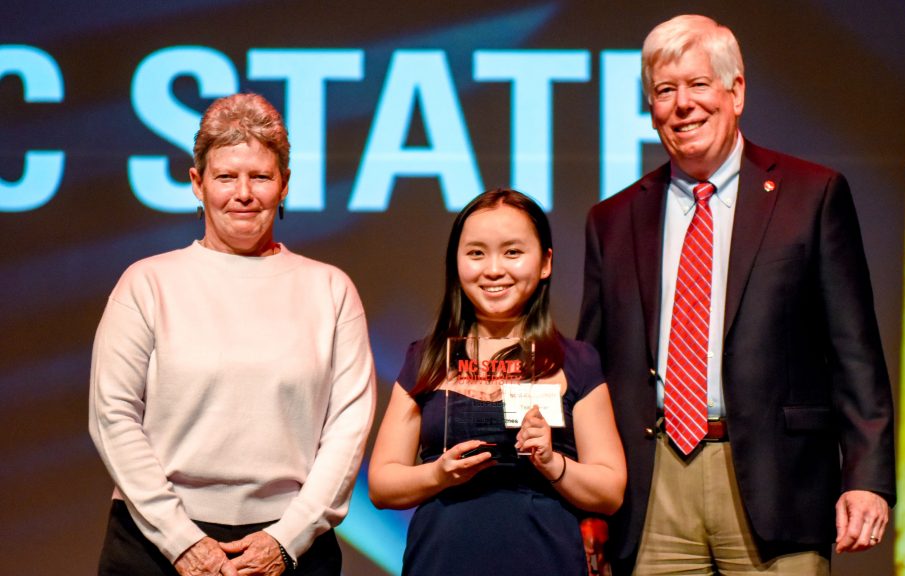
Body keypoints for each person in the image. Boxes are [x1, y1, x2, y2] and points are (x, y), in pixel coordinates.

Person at [576, 14, 896, 575]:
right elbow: (593, 370)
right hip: (652, 494)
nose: (682, 105)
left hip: (779, 484)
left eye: (699, 85)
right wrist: (587, 498)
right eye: (664, 91)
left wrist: (867, 479)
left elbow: (855, 353)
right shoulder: (613, 219)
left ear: (736, 91)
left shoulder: (811, 195)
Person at [88, 93, 376, 576]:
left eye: (260, 176)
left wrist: (286, 540)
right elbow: (112, 416)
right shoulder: (147, 283)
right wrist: (181, 541)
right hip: (153, 547)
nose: (243, 193)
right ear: (197, 184)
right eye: (226, 176)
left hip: (292, 549)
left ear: (284, 185)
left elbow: (348, 427)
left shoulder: (330, 289)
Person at [368, 189, 627, 576]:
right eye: (476, 253)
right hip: (441, 559)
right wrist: (438, 474)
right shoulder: (426, 359)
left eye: (512, 252)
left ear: (545, 263)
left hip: (545, 559)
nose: (493, 270)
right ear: (456, 262)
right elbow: (382, 483)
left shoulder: (577, 362)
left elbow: (610, 491)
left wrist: (552, 463)